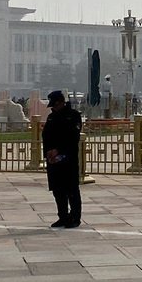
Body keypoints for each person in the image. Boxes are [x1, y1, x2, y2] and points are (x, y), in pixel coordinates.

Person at [42, 90, 83, 227]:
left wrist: (58, 150)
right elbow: (46, 136)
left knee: (71, 190)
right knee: (58, 190)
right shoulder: (51, 118)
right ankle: (63, 216)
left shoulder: (73, 116)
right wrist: (48, 152)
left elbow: (72, 137)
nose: (53, 108)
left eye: (55, 105)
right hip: (54, 160)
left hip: (68, 159)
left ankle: (75, 217)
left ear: (61, 102)